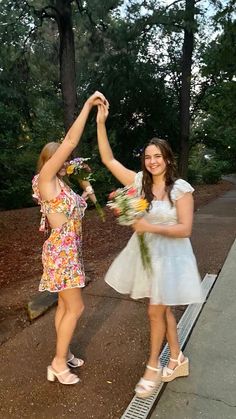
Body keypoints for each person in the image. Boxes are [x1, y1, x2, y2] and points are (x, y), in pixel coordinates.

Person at [96, 102, 204, 398]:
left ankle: (153, 365)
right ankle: (178, 358)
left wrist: (148, 227)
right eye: (148, 156)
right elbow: (108, 159)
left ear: (168, 160)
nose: (152, 161)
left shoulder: (180, 188)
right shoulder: (139, 183)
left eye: (158, 156)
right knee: (162, 307)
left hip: (172, 257)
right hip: (147, 255)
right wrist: (101, 122)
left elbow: (185, 229)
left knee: (155, 311)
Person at [32, 91, 108, 385]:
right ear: (49, 161)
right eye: (60, 159)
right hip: (60, 252)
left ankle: (63, 351)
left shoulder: (62, 185)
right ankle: (58, 363)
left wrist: (87, 187)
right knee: (76, 307)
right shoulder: (46, 180)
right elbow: (71, 142)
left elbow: (79, 210)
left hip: (70, 250)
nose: (65, 161)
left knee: (65, 307)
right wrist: (88, 106)